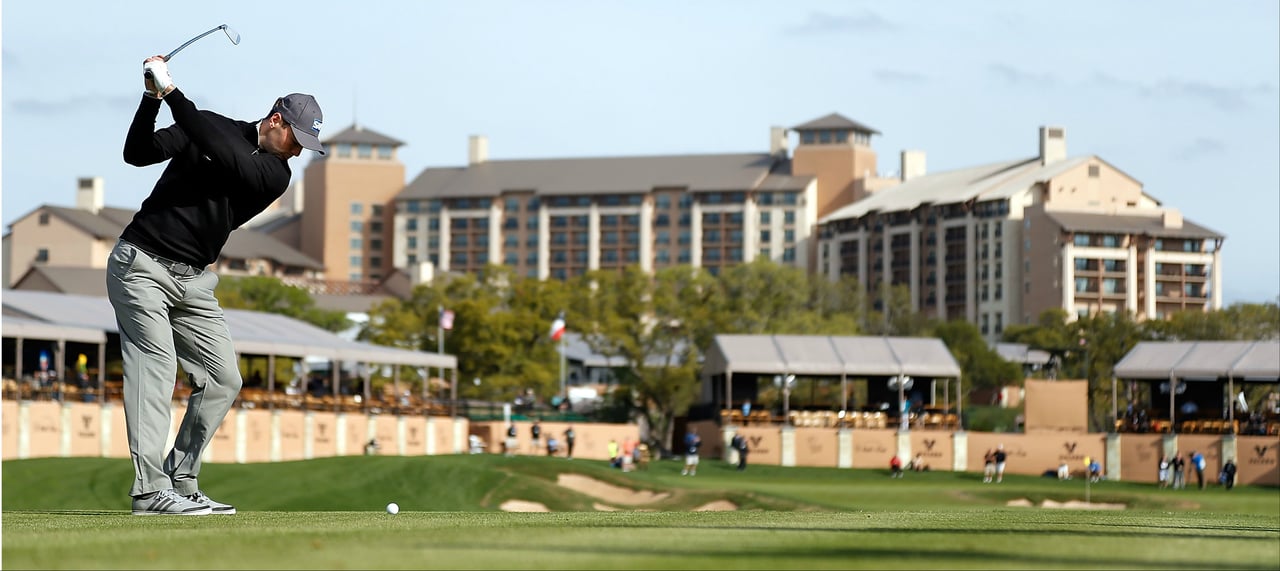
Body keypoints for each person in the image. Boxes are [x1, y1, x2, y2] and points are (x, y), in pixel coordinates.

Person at [108, 54, 324, 516]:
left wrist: (173, 94)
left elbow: (227, 157)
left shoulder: (275, 175)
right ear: (276, 120)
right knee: (156, 367)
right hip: (141, 266)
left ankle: (181, 479)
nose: (298, 152)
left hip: (194, 282)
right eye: (297, 140)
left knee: (224, 379)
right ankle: (150, 490)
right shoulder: (207, 124)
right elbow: (137, 153)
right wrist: (151, 99)